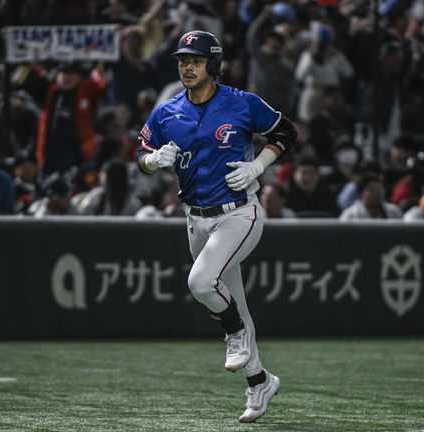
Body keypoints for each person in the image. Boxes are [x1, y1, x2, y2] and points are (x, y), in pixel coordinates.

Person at [137, 30, 297, 423]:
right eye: (181, 60)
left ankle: (235, 333)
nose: (186, 67)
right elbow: (140, 153)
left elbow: (285, 132)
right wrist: (154, 160)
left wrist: (258, 165)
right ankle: (259, 381)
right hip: (195, 218)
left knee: (201, 283)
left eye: (194, 60)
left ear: (213, 64)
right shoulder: (167, 110)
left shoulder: (242, 102)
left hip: (239, 212)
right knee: (232, 299)